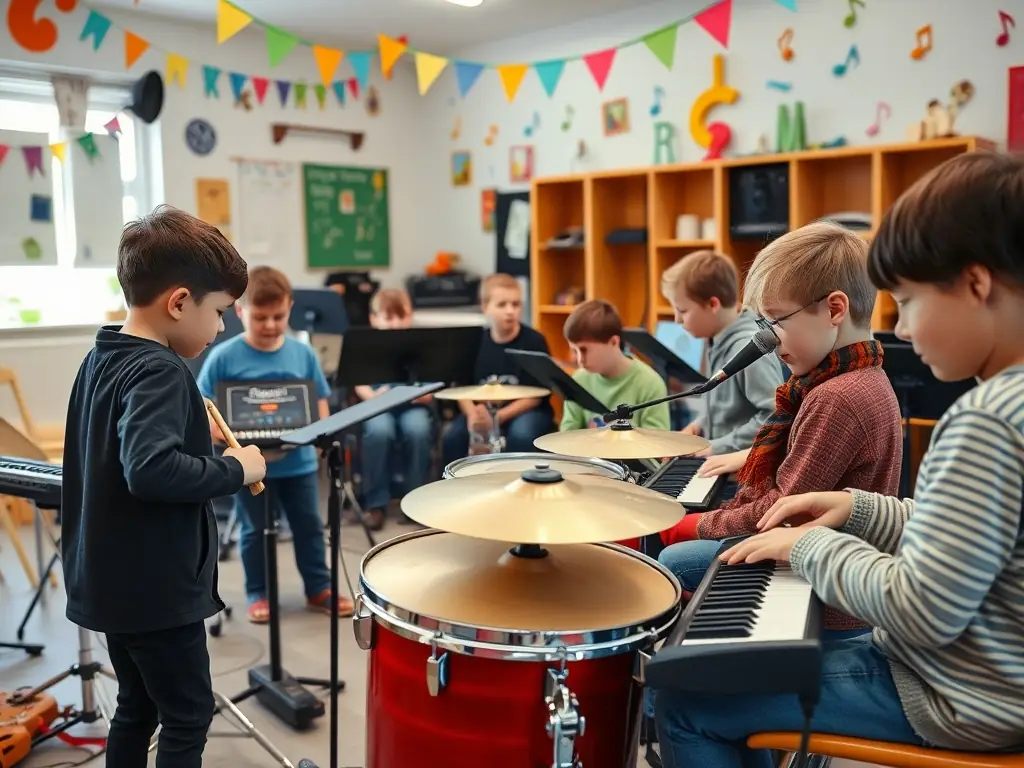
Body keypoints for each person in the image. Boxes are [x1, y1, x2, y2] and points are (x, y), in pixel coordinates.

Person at [655, 150, 1024, 767]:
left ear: (975, 284)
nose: (899, 329)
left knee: (690, 700)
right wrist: (861, 507)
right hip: (992, 676)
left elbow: (922, 611)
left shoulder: (985, 420)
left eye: (905, 301)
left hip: (959, 688)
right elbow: (968, 536)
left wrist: (808, 546)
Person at [61, 205, 267, 768]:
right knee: (186, 715)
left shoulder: (103, 356)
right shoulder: (161, 369)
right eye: (221, 311)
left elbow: (115, 451)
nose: (222, 327)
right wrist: (238, 469)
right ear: (179, 302)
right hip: (154, 593)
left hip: (108, 582)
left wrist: (188, 433)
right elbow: (150, 471)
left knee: (137, 708)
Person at [657, 222, 903, 636]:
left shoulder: (837, 398)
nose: (767, 340)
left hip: (830, 603)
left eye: (776, 321)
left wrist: (689, 524)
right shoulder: (857, 376)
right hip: (831, 569)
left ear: (834, 310)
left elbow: (779, 513)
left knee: (673, 561)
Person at [197, 266, 351, 624]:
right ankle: (258, 593)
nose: (270, 325)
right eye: (260, 317)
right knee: (254, 531)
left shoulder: (303, 354)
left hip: (298, 465)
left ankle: (319, 588)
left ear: (290, 308)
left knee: (309, 527)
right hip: (247, 468)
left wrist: (317, 439)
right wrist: (228, 441)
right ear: (240, 311)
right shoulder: (223, 357)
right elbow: (203, 407)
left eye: (278, 316)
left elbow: (320, 404)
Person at [662, 250, 783, 454]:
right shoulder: (717, 339)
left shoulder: (746, 349)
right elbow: (726, 410)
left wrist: (714, 447)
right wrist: (699, 425)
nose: (677, 320)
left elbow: (774, 416)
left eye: (682, 311)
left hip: (741, 476)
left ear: (713, 304)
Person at [442, 273, 555, 463]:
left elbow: (537, 395)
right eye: (502, 305)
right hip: (481, 412)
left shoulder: (534, 341)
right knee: (452, 437)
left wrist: (497, 418)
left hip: (525, 412)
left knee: (522, 434)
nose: (510, 311)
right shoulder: (473, 342)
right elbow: (459, 389)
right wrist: (472, 416)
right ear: (485, 307)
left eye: (516, 304)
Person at [355, 288, 434, 527]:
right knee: (379, 431)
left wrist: (423, 395)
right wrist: (373, 396)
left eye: (401, 317)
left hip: (412, 406)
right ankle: (376, 503)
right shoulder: (368, 347)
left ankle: (415, 501)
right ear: (374, 319)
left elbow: (431, 387)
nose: (396, 324)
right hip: (379, 407)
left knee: (418, 429)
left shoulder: (420, 347)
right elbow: (359, 383)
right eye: (389, 318)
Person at [560, 299, 670, 431]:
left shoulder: (650, 383)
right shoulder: (578, 380)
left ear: (613, 342)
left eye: (584, 350)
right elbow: (567, 437)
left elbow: (658, 444)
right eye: (574, 350)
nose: (579, 360)